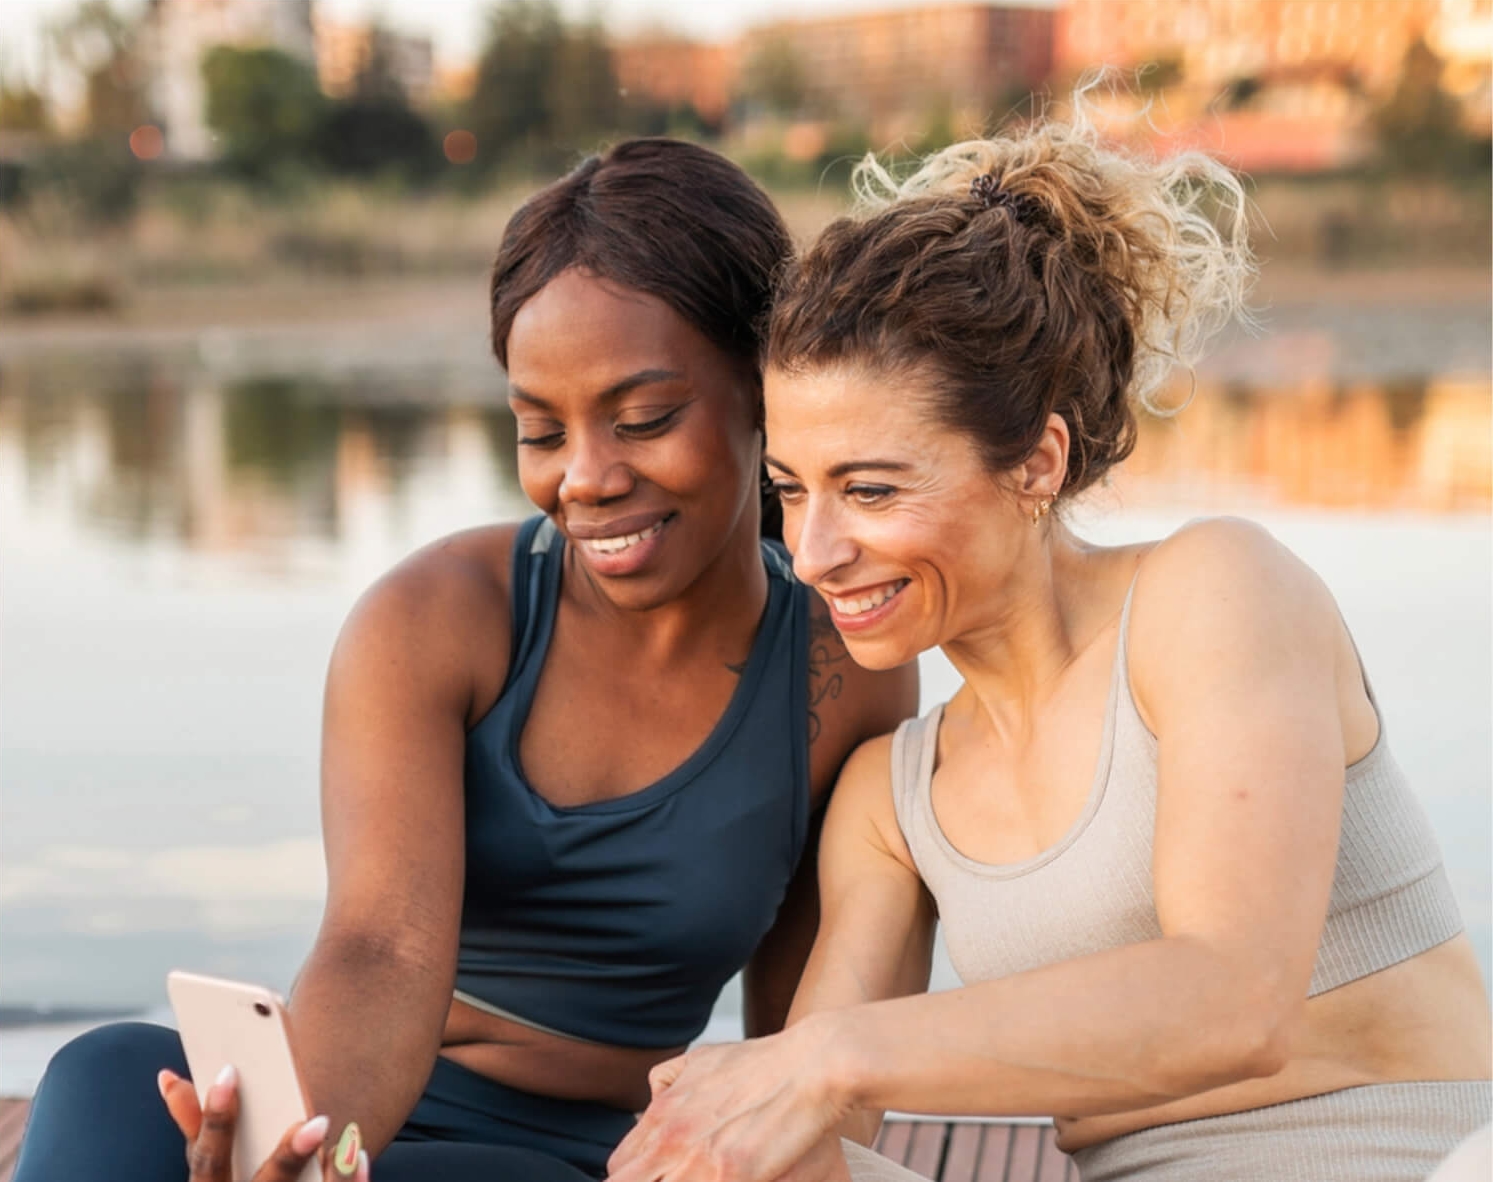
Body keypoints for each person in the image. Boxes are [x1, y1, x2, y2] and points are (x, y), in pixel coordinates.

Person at [606, 99, 1493, 1182]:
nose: (815, 548)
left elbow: (1233, 1001)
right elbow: (812, 1126)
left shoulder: (1211, 595)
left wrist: (830, 1056)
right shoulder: (892, 799)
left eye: (871, 489)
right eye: (791, 492)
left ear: (1035, 464)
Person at [12, 139, 918, 1182]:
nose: (585, 478)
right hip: (354, 1098)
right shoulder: (436, 619)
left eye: (643, 420)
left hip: (586, 1158)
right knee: (104, 1073)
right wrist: (305, 1157)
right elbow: (377, 950)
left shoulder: (838, 665)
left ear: (763, 392)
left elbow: (800, 1032)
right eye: (540, 431)